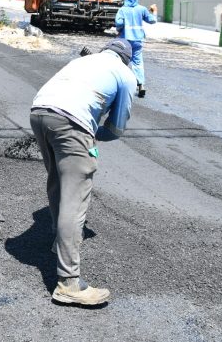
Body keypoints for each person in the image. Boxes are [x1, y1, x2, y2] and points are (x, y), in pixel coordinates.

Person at [30, 38, 137, 307]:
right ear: (126, 59)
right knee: (74, 198)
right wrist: (92, 135)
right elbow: (116, 128)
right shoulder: (125, 74)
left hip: (39, 111)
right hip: (71, 120)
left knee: (57, 180)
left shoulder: (84, 60)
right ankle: (68, 284)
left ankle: (58, 239)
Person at [115, 0, 157, 98]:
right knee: (138, 62)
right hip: (138, 40)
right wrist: (154, 11)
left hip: (125, 40)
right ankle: (141, 85)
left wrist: (120, 29)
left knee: (123, 62)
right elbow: (152, 20)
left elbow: (118, 23)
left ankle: (122, 85)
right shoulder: (142, 9)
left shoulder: (123, 10)